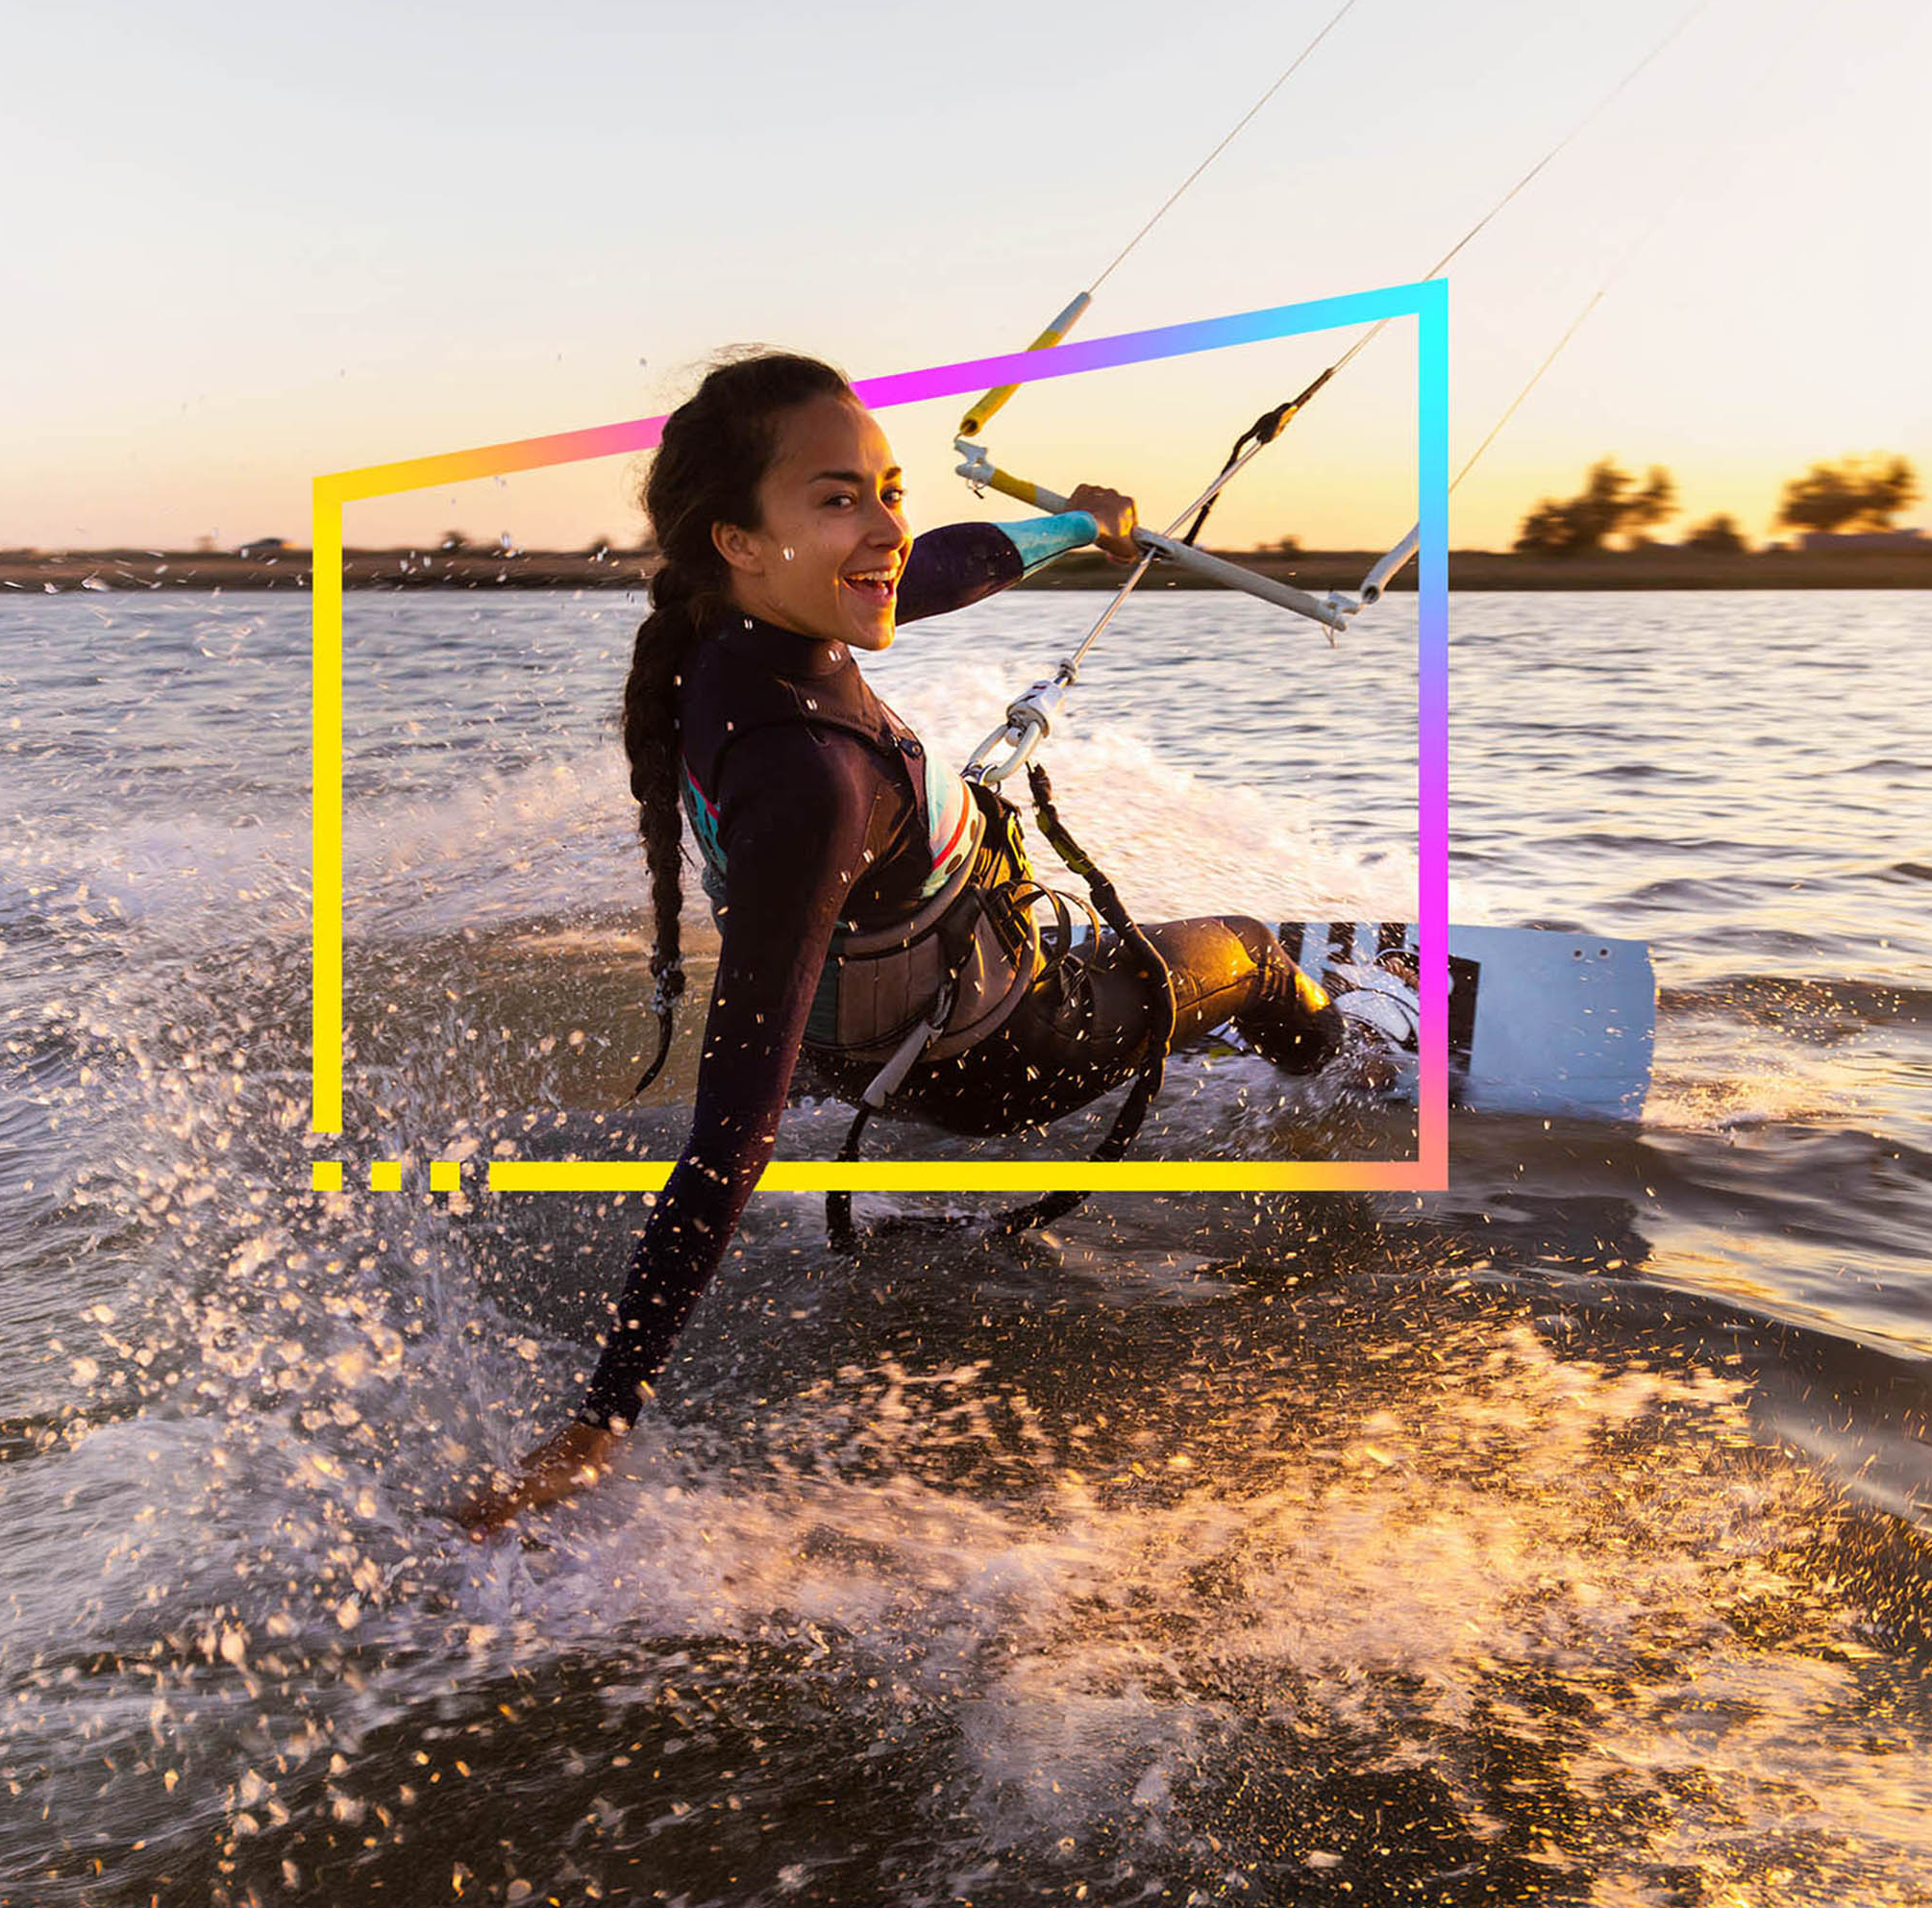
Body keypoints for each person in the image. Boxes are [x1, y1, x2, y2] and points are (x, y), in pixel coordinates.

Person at [450, 350, 1348, 1534]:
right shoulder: (812, 782)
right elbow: (728, 1138)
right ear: (740, 538)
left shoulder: (728, 637)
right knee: (1248, 950)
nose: (884, 527)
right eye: (838, 497)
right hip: (994, 1053)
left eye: (890, 487)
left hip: (871, 1039)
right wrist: (597, 1424)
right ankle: (1344, 1067)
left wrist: (1081, 524)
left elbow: (933, 569)